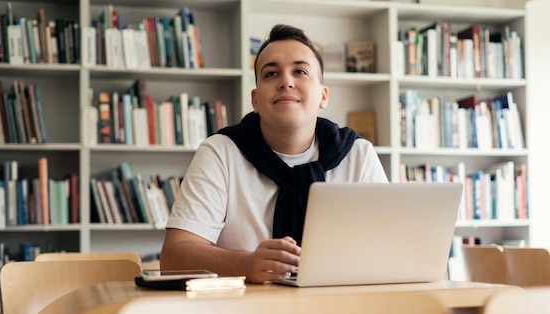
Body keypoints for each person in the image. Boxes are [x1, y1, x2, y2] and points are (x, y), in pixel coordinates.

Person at [160, 23, 388, 283]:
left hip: (339, 310)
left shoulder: (358, 154)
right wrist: (246, 263)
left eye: (300, 71)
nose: (286, 82)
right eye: (271, 74)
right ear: (255, 100)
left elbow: (390, 249)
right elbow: (173, 258)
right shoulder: (220, 152)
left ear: (323, 96)